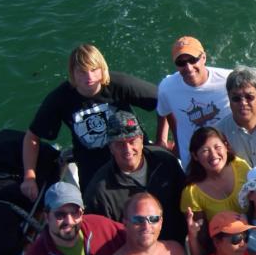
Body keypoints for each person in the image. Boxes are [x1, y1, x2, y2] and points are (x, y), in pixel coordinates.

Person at [21, 43, 158, 198]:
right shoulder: (60, 98)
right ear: (72, 73)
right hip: (93, 164)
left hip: (131, 152)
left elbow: (164, 101)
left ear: (102, 68)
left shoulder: (120, 84)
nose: (89, 77)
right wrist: (29, 177)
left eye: (94, 70)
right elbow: (32, 136)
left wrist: (162, 140)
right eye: (82, 72)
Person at [156, 36, 256, 170]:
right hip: (193, 157)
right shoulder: (167, 87)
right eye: (181, 63)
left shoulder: (227, 79)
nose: (188, 67)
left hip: (229, 151)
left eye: (193, 60)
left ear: (204, 57)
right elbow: (164, 111)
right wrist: (162, 140)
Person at [84, 110, 187, 243]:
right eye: (120, 144)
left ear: (142, 140)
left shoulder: (166, 161)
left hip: (179, 247)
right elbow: (99, 237)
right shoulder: (99, 191)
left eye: (132, 141)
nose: (127, 149)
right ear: (110, 147)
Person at [180, 127, 251, 255]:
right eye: (205, 151)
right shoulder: (191, 192)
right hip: (226, 254)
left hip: (255, 239)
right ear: (195, 156)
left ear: (226, 146)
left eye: (217, 147)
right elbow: (202, 239)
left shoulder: (240, 166)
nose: (213, 155)